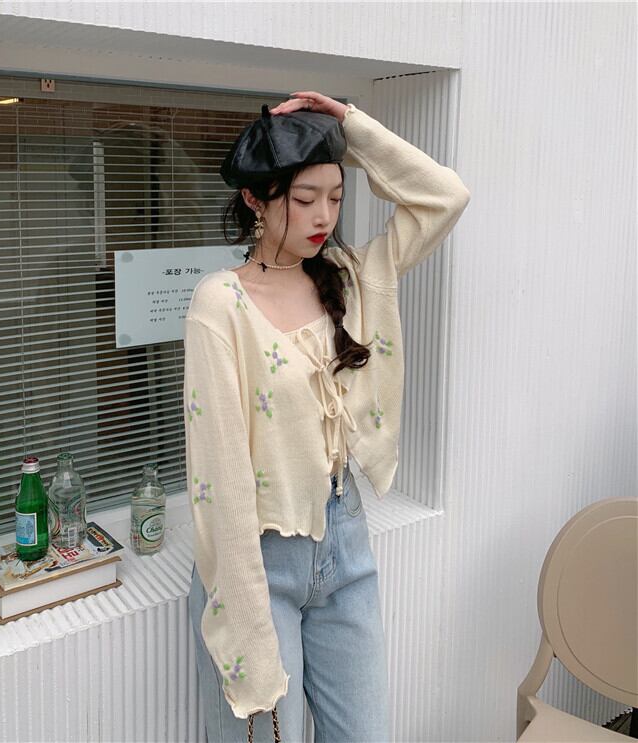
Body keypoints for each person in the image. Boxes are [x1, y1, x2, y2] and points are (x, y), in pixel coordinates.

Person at [184, 91, 471, 743]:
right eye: (305, 197)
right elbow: (220, 478)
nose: (324, 216)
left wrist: (347, 122)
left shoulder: (352, 275)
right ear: (255, 199)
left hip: (345, 537)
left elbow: (445, 196)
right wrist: (247, 629)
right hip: (260, 553)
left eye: (336, 198)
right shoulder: (219, 305)